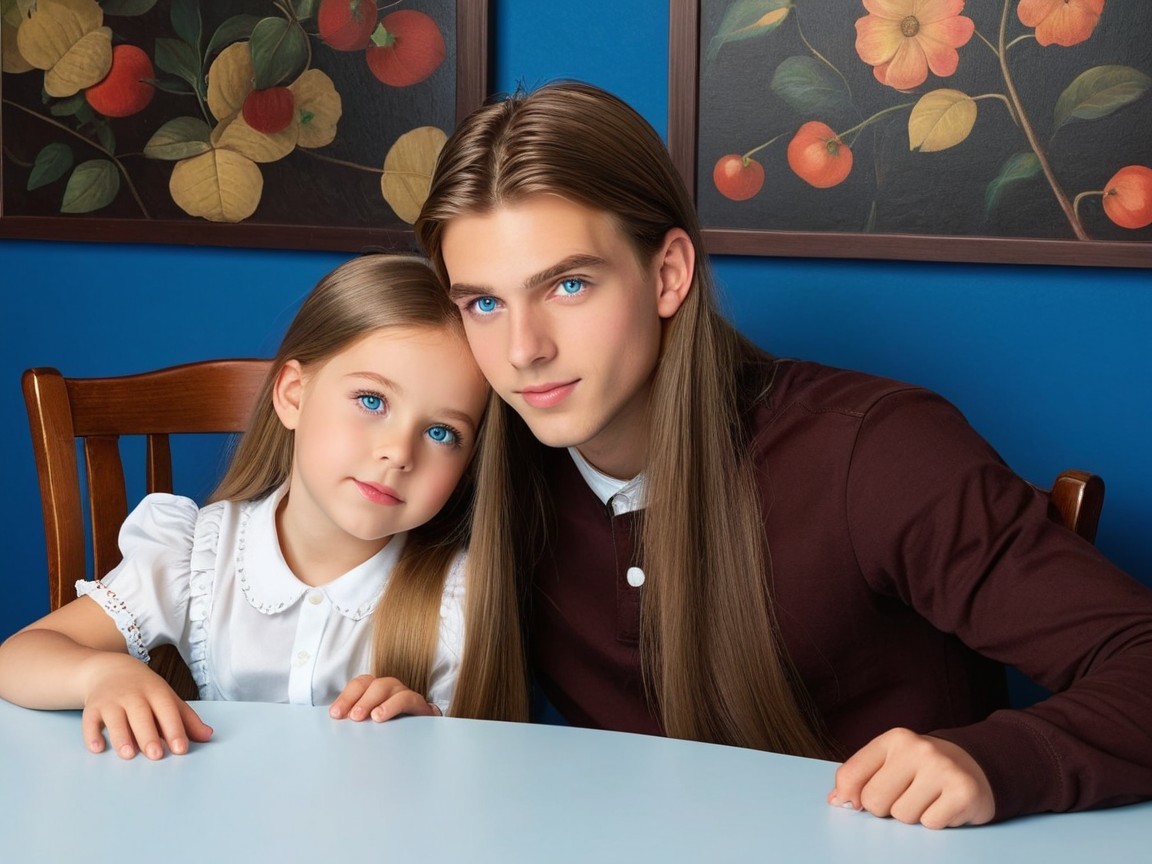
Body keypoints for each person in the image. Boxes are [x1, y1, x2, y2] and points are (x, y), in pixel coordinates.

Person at [414, 80, 1152, 828]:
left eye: (569, 285)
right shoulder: (474, 459)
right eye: (483, 303)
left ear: (668, 274)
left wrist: (996, 762)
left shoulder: (876, 451)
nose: (522, 351)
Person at [0, 255, 529, 760]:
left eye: (442, 432)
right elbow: (18, 658)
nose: (399, 452)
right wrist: (100, 675)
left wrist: (426, 728)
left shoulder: (457, 594)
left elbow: (473, 775)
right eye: (372, 401)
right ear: (294, 395)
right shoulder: (195, 555)